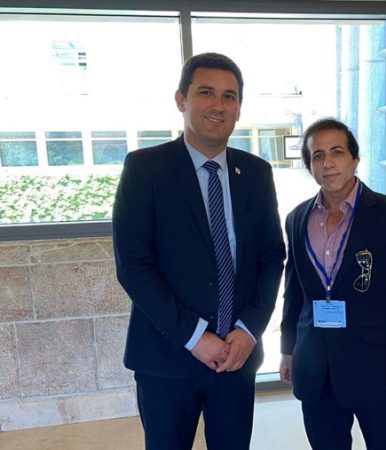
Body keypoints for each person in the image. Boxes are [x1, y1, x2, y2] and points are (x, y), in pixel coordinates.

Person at [112, 52, 285, 450]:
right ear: (181, 99)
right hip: (167, 356)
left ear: (239, 109)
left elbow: (270, 258)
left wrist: (249, 329)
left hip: (237, 356)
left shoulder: (256, 173)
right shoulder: (145, 169)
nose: (218, 105)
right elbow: (134, 266)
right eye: (206, 92)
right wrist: (194, 337)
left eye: (229, 96)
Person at [279, 118, 386, 450]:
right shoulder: (297, 219)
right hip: (316, 367)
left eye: (337, 152)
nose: (328, 163)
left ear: (354, 159)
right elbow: (295, 292)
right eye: (317, 155)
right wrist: (288, 349)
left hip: (378, 370)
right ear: (309, 166)